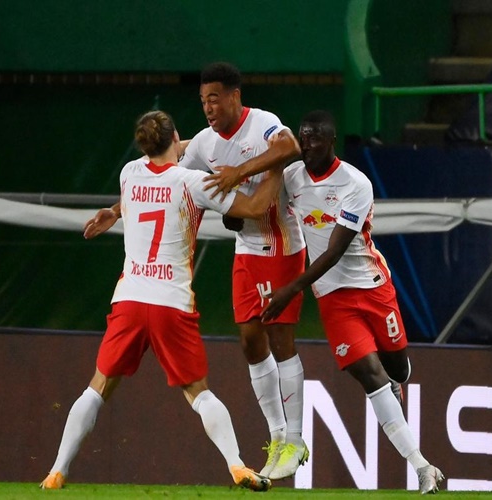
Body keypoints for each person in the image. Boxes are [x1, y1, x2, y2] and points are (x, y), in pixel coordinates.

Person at [41, 110, 284, 491]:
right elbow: (255, 208)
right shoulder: (194, 182)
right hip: (171, 302)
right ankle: (237, 465)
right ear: (175, 138)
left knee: (97, 387)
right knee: (199, 393)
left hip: (130, 300)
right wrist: (276, 169)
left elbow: (155, 172)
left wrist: (116, 210)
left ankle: (57, 471)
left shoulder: (128, 174)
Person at [261, 110, 444, 494]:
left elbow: (334, 252)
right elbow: (263, 204)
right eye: (302, 137)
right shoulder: (291, 177)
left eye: (314, 138)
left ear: (331, 141)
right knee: (370, 376)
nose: (306, 145)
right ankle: (423, 467)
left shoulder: (355, 183)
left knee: (397, 368)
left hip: (373, 287)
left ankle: (396, 379)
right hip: (333, 298)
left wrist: (290, 289)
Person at [178, 62, 309, 480]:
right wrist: (118, 205)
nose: (208, 108)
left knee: (280, 339)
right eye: (203, 101)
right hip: (246, 247)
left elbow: (290, 147)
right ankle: (277, 436)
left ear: (235, 96)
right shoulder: (204, 142)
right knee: (251, 341)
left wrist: (240, 172)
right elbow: (174, 165)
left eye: (214, 99)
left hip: (281, 244)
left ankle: (296, 438)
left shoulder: (262, 123)